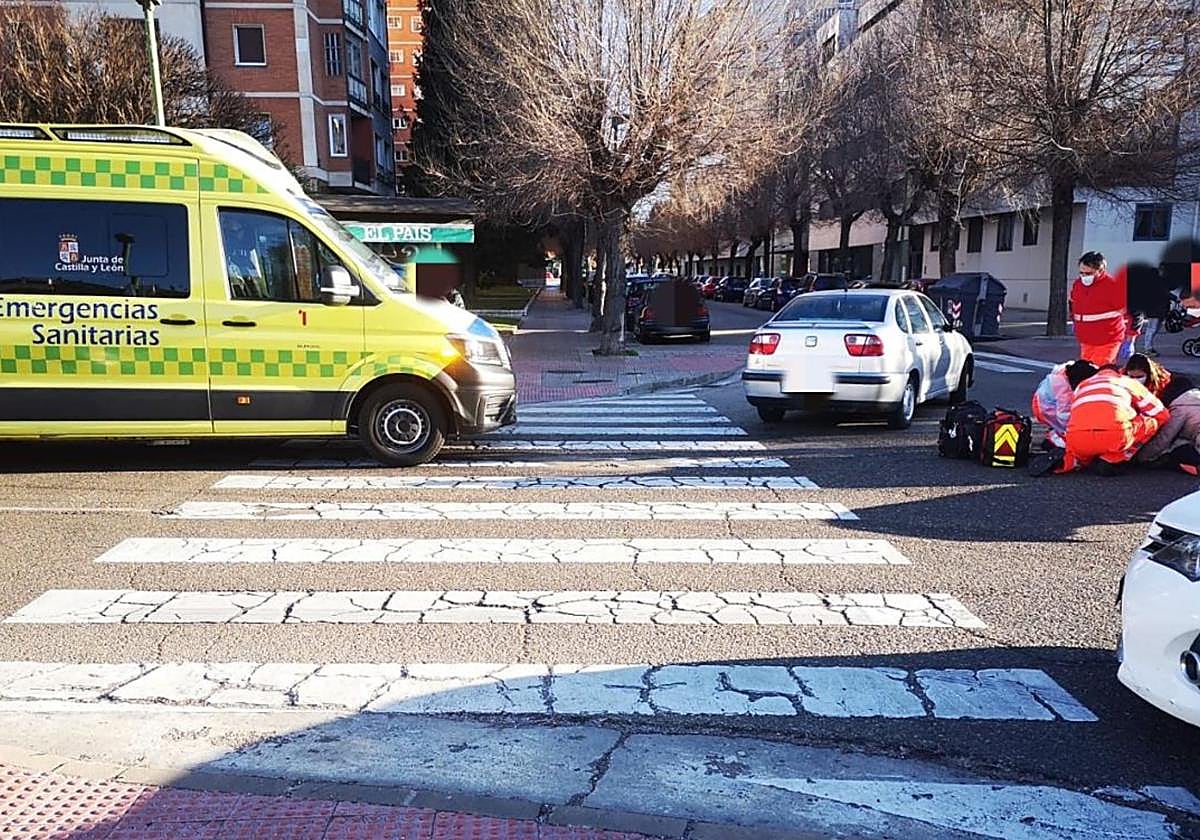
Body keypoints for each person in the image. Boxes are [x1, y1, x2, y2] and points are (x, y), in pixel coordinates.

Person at [1051, 366, 1170, 476]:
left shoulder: (1083, 385)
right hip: (1114, 435)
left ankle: (1072, 460)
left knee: (1083, 449)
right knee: (1152, 421)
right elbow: (1161, 413)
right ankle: (1113, 457)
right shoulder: (1126, 382)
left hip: (1076, 438)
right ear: (1118, 373)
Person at [1070, 252, 1128, 366]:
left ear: (1100, 270)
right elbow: (1073, 303)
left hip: (1107, 339)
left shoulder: (1112, 286)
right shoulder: (1078, 284)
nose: (1084, 276)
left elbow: (1132, 312)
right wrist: (1075, 321)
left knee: (1099, 373)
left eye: (1088, 273)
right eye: (1081, 273)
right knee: (1085, 373)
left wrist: (1131, 338)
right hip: (1086, 339)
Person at [1031, 359, 1099, 451]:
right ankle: (1054, 439)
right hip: (1045, 409)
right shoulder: (1064, 390)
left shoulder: (1070, 371)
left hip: (1043, 400)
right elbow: (1064, 417)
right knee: (1066, 433)